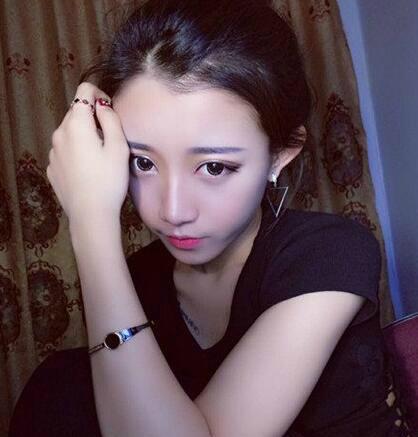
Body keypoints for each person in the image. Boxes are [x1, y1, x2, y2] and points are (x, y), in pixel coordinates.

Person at [9, 0, 410, 436]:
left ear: (280, 155)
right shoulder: (135, 281)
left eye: (214, 167)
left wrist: (89, 224)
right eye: (143, 162)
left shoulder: (329, 253)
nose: (173, 211)